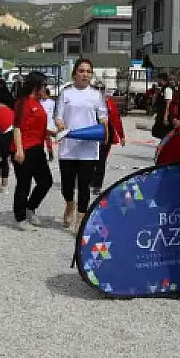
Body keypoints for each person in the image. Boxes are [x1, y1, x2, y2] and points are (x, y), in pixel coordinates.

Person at [55, 58, 108, 232]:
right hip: (68, 147)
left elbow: (103, 117)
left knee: (84, 185)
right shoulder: (66, 93)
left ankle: (80, 221)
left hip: (88, 148)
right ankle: (69, 203)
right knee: (67, 186)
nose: (85, 75)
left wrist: (104, 129)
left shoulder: (96, 95)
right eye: (81, 71)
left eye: (88, 71)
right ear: (74, 73)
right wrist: (61, 125)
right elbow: (58, 116)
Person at [11, 72, 54, 230]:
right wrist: (19, 150)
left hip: (37, 147)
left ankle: (30, 207)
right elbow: (17, 127)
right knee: (24, 184)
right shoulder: (23, 103)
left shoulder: (38, 103)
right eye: (44, 85)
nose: (46, 88)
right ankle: (20, 217)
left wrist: (54, 133)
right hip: (24, 148)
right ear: (36, 86)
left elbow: (37, 127)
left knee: (46, 181)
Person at [91, 82, 126, 193]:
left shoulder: (109, 102)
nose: (100, 90)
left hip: (105, 135)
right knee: (90, 160)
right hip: (91, 134)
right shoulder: (88, 101)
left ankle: (97, 185)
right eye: (97, 88)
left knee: (101, 161)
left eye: (102, 88)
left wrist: (121, 136)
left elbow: (116, 119)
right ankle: (90, 180)